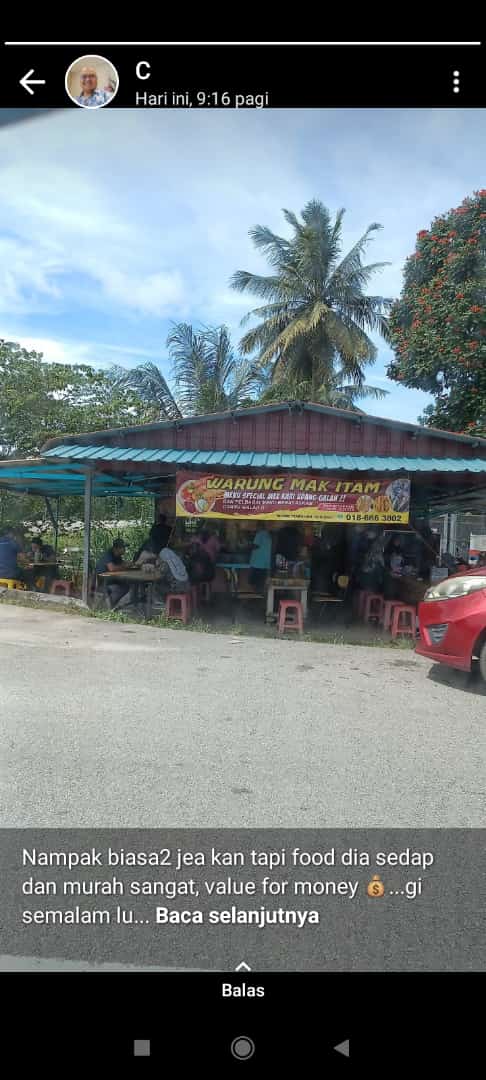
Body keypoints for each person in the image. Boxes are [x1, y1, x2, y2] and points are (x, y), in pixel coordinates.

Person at [95, 538, 133, 607]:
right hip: (102, 580)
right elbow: (112, 568)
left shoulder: (118, 556)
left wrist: (129, 564)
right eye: (123, 547)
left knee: (126, 585)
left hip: (111, 578)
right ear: (116, 548)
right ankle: (108, 606)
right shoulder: (108, 554)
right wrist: (125, 566)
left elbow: (121, 564)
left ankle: (110, 605)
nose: (125, 549)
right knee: (124, 586)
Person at [249, 526, 272, 591]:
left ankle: (253, 597)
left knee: (253, 584)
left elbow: (256, 545)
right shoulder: (268, 534)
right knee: (262, 583)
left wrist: (248, 545)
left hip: (257, 563)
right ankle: (261, 597)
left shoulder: (259, 534)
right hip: (265, 563)